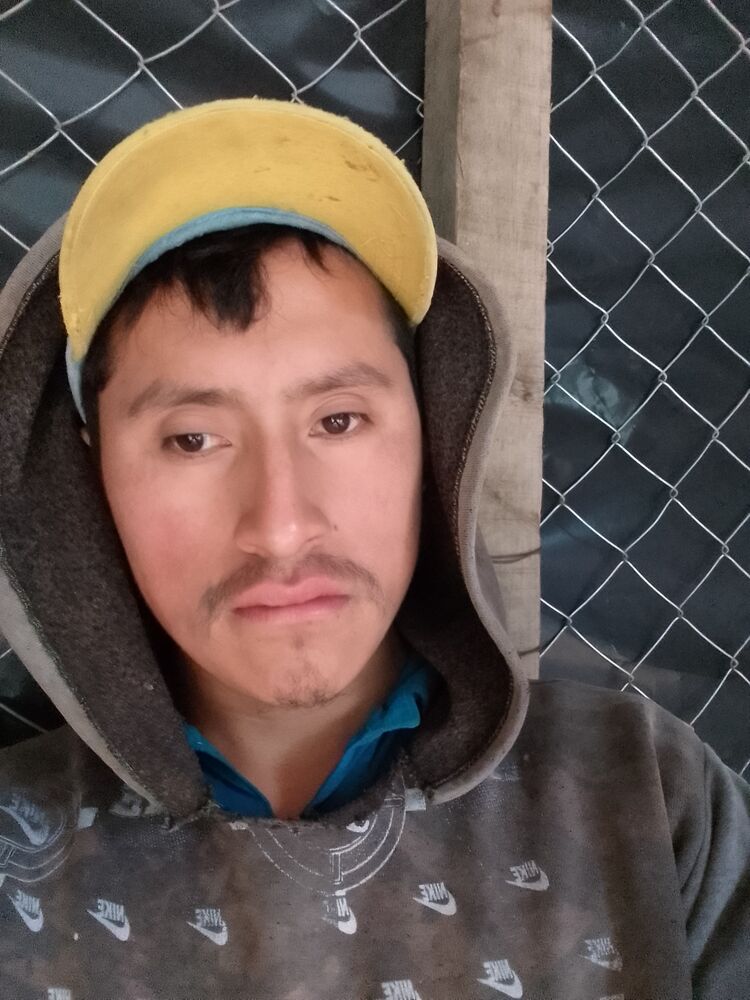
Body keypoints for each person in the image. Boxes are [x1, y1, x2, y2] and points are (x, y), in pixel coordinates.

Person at [0, 98, 746, 1000]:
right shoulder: (15, 844)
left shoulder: (648, 799)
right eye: (192, 439)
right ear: (91, 472)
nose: (281, 525)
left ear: (432, 432)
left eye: (339, 421)